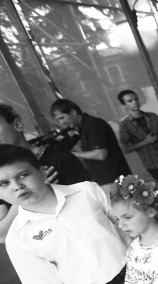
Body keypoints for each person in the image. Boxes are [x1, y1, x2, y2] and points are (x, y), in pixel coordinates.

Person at [0, 144, 130, 284]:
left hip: (134, 277)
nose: (17, 186)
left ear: (41, 172)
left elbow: (129, 229)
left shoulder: (87, 192)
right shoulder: (18, 238)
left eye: (23, 175)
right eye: (4, 183)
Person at [0, 103, 92, 243]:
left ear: (18, 125)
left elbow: (92, 202)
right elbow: (2, 236)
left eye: (24, 175)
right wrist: (22, 197)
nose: (14, 184)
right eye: (4, 184)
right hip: (43, 250)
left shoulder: (60, 158)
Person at [50, 99, 132, 194]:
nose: (61, 123)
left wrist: (72, 154)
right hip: (108, 180)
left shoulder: (92, 124)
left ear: (73, 112)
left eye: (62, 118)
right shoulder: (84, 127)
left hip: (114, 180)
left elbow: (101, 154)